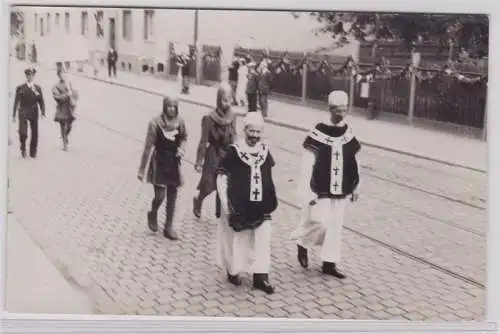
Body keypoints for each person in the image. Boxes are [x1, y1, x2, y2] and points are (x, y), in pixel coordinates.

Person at [291, 90, 361, 279]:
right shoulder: (318, 132)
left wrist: (355, 186)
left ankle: (329, 263)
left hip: (341, 186)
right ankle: (302, 243)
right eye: (337, 110)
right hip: (320, 186)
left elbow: (354, 160)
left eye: (344, 110)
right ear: (330, 110)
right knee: (319, 222)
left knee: (335, 225)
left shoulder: (348, 132)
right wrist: (307, 190)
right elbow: (307, 163)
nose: (341, 114)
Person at [215, 112, 278, 294]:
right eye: (251, 131)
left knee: (264, 235)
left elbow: (268, 175)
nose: (255, 136)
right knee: (240, 238)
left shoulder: (265, 151)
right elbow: (222, 177)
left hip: (261, 205)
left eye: (258, 132)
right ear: (245, 130)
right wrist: (226, 203)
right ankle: (234, 271)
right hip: (240, 205)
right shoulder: (234, 151)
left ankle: (261, 276)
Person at [138, 96, 187, 241]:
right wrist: (142, 169)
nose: (171, 109)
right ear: (164, 107)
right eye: (169, 106)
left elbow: (184, 137)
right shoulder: (155, 123)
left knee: (173, 194)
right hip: (159, 161)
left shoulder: (180, 122)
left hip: (173, 161)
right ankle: (153, 212)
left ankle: (168, 226)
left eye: (174, 106)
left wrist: (181, 149)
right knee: (160, 195)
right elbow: (148, 147)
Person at [193, 83, 237, 220]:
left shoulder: (232, 116)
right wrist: (199, 161)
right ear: (218, 100)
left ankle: (220, 214)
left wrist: (236, 153)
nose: (227, 103)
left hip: (226, 153)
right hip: (213, 153)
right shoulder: (209, 118)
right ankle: (198, 200)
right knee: (209, 184)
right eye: (224, 100)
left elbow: (234, 135)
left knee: (223, 185)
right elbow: (203, 140)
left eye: (230, 99)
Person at [12, 67, 45, 158]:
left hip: (34, 111)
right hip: (23, 111)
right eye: (28, 75)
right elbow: (16, 101)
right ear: (26, 76)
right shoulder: (20, 88)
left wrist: (43, 111)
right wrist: (14, 114)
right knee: (23, 132)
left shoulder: (37, 88)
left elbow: (41, 101)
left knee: (35, 133)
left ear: (34, 76)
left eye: (32, 75)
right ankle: (23, 147)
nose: (30, 77)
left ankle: (33, 151)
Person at [52, 68, 79, 151]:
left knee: (69, 126)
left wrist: (73, 93)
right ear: (58, 76)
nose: (63, 75)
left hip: (69, 108)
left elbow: (76, 95)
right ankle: (65, 145)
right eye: (61, 74)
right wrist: (67, 95)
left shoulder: (69, 83)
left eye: (64, 73)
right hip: (61, 108)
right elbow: (57, 97)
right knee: (63, 126)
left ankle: (65, 136)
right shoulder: (56, 86)